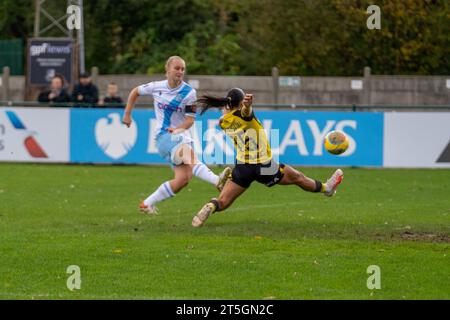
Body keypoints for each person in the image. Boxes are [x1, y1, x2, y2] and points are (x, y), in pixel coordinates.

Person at [191, 88, 344, 227]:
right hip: (263, 166)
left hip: (243, 167)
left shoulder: (223, 122)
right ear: (240, 103)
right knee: (298, 177)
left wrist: (234, 106)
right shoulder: (244, 115)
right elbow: (246, 113)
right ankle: (326, 188)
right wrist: (247, 105)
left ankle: (211, 206)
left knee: (224, 201)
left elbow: (231, 113)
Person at [122, 56, 232, 214]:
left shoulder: (189, 93)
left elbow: (189, 120)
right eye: (177, 68)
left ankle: (146, 204)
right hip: (164, 137)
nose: (180, 71)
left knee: (182, 180)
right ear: (167, 69)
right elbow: (135, 92)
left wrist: (178, 129)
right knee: (190, 157)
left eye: (183, 69)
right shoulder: (156, 87)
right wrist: (127, 114)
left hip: (178, 136)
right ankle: (217, 180)